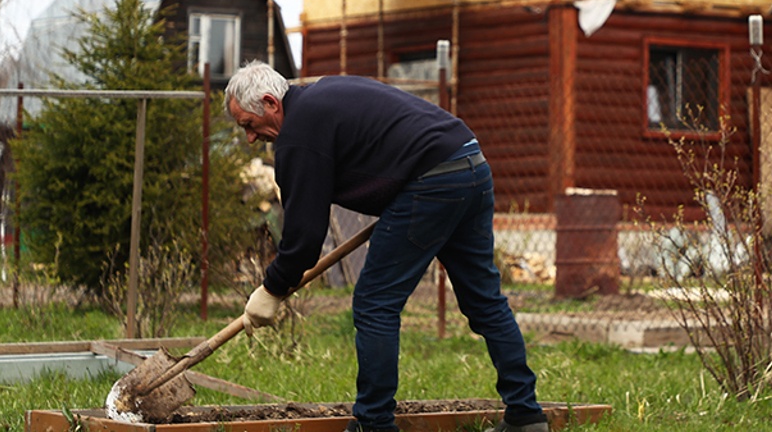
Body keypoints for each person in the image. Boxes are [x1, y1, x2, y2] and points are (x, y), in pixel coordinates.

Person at [225, 61, 547, 432]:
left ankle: (373, 423)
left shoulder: (299, 132)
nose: (250, 137)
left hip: (433, 180)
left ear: (270, 102)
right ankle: (525, 414)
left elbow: (304, 235)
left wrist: (272, 288)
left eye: (248, 124)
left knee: (375, 303)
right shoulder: (324, 94)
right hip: (470, 162)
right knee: (484, 299)